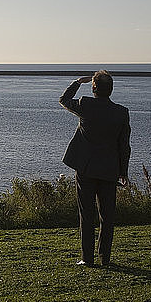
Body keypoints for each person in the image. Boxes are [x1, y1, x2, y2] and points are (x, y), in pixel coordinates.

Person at [59, 70, 131, 267]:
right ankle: (104, 258)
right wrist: (123, 171)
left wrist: (77, 82)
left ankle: (87, 258)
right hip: (109, 169)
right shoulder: (121, 112)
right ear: (111, 89)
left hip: (86, 167)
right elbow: (124, 145)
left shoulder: (86, 104)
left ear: (94, 88)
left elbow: (64, 100)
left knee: (86, 213)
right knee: (107, 216)